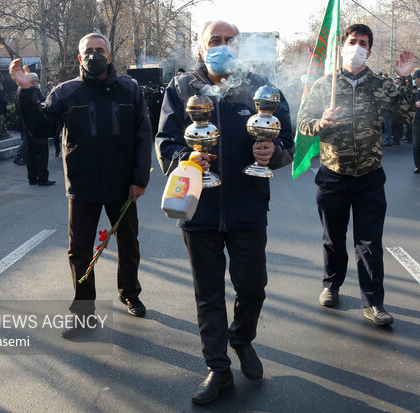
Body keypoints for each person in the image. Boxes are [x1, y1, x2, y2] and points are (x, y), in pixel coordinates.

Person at [156, 20, 294, 405]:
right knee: (208, 293)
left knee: (252, 286)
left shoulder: (260, 87)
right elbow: (165, 141)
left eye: (229, 40)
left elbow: (287, 138)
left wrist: (275, 152)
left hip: (248, 205)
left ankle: (241, 338)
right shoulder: (182, 88)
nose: (222, 46)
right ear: (201, 47)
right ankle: (217, 367)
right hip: (198, 208)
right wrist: (189, 158)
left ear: (240, 45)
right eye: (214, 40)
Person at [9, 33, 152, 330]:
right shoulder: (65, 93)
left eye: (100, 50)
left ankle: (130, 293)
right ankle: (84, 311)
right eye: (89, 51)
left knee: (128, 243)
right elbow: (38, 124)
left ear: (110, 56)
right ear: (79, 57)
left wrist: (139, 179)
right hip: (82, 185)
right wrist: (25, 92)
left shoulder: (129, 90)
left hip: (122, 184)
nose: (94, 55)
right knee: (80, 251)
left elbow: (143, 134)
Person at [298, 23, 415, 326]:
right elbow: (303, 123)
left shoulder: (381, 85)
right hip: (332, 174)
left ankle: (373, 302)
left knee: (369, 242)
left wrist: (405, 80)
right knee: (333, 238)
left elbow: (405, 116)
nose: (357, 47)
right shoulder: (325, 84)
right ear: (342, 46)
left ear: (369, 51)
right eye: (352, 41)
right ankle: (331, 285)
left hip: (369, 176)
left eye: (363, 43)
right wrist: (320, 123)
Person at [21, 72, 54, 186]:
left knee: (31, 154)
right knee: (42, 154)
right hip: (38, 128)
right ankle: (42, 178)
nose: (38, 83)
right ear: (33, 82)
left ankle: (32, 177)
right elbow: (41, 107)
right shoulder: (33, 93)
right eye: (37, 81)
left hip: (28, 128)